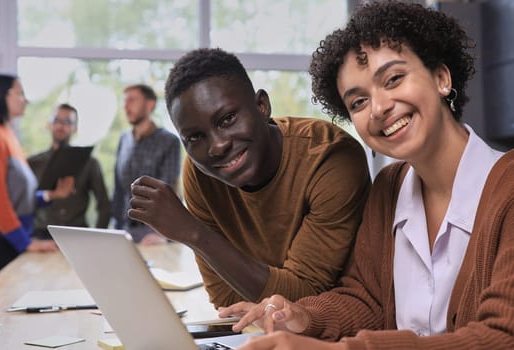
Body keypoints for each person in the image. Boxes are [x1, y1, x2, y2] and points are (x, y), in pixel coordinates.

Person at [219, 2, 514, 349]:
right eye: (358, 102)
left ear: (441, 78)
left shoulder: (507, 188)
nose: (378, 108)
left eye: (393, 79)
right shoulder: (389, 188)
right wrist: (302, 317)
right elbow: (366, 299)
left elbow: (501, 337)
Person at [128, 48, 372, 308]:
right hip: (265, 333)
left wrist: (194, 234)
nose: (217, 147)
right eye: (195, 137)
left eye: (228, 119)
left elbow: (306, 293)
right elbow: (227, 300)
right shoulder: (201, 173)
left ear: (262, 106)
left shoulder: (329, 158)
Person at [0, 74, 75, 275]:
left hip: (13, 240)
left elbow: (17, 198)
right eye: (20, 93)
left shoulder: (7, 134)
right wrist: (26, 243)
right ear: (2, 95)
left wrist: (51, 196)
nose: (25, 99)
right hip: (0, 244)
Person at [27, 103, 111, 239]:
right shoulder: (33, 163)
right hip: (42, 235)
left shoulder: (89, 163)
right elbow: (22, 202)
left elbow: (104, 204)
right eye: (56, 120)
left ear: (75, 128)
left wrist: (97, 238)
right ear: (49, 125)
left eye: (67, 122)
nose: (60, 126)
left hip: (78, 235)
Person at [112, 84, 182, 245]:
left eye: (132, 100)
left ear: (150, 104)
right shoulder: (124, 140)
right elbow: (118, 190)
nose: (126, 106)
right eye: (125, 101)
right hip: (124, 229)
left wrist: (163, 235)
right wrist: (115, 228)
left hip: (154, 232)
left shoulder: (169, 141)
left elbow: (168, 190)